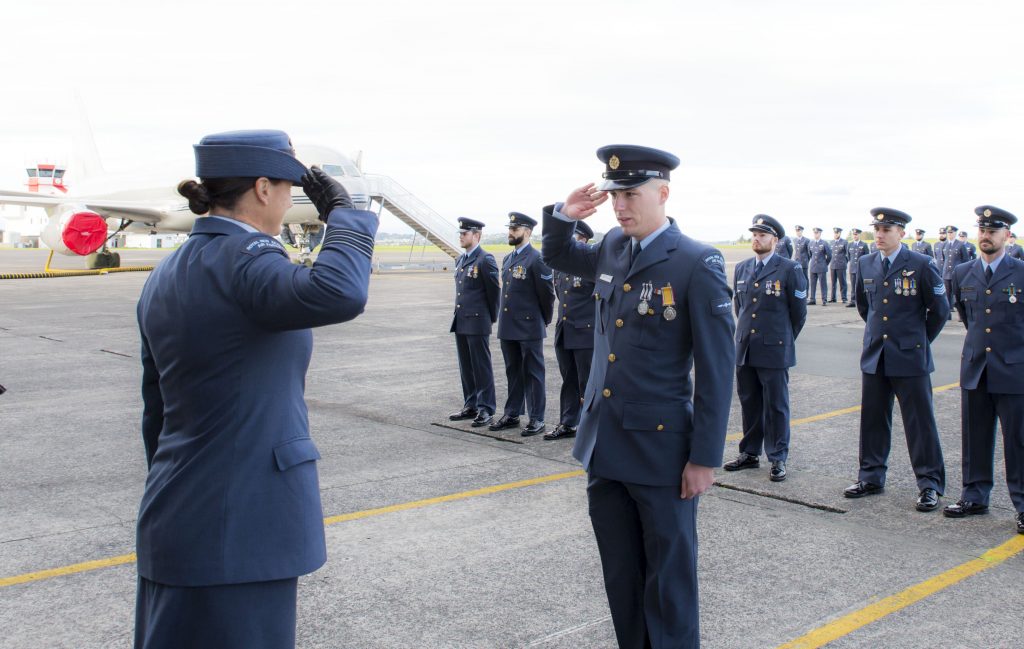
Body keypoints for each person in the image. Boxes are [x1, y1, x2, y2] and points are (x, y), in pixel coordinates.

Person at [134, 130, 378, 649]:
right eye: (289, 188)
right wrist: (348, 214)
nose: (292, 199)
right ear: (264, 189)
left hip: (180, 510)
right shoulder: (245, 258)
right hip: (242, 524)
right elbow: (338, 292)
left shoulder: (169, 271)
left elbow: (156, 410)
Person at [542, 144, 734, 649]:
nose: (620, 204)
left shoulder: (697, 261)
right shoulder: (611, 245)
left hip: (661, 452)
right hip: (605, 448)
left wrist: (704, 458)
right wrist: (565, 215)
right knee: (622, 581)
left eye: (630, 193)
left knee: (668, 587)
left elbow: (716, 371)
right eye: (614, 194)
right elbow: (559, 254)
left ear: (663, 193)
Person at [845, 207, 948, 512]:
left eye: (886, 230)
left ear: (901, 233)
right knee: (873, 419)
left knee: (920, 423)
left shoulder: (921, 263)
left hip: (910, 356)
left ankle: (930, 484)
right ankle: (871, 477)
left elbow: (939, 310)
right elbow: (865, 307)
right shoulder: (865, 263)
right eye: (876, 230)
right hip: (876, 354)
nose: (879, 235)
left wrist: (917, 341)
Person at [945, 205, 1024, 535]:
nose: (985, 236)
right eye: (982, 230)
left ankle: (1022, 504)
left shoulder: (1020, 272)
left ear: (1006, 235)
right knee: (974, 436)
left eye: (993, 231)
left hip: (1013, 369)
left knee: (1018, 442)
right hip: (976, 366)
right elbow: (967, 316)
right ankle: (974, 495)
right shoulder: (963, 272)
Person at [724, 215, 807, 482]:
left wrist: (781, 337)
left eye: (762, 235)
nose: (756, 239)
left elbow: (798, 314)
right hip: (746, 346)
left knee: (776, 406)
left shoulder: (789, 269)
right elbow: (741, 307)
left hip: (774, 348)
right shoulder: (744, 267)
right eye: (754, 234)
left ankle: (777, 457)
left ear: (775, 240)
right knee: (749, 403)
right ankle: (749, 453)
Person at [489, 212, 554, 436]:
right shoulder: (508, 259)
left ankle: (537, 418)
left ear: (527, 232)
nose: (510, 233)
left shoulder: (537, 259)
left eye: (515, 229)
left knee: (533, 373)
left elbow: (547, 295)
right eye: (510, 229)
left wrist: (542, 320)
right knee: (513, 372)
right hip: (508, 326)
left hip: (529, 325)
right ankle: (512, 413)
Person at [546, 220, 597, 440]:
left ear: (584, 240)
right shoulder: (561, 266)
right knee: (569, 379)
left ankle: (591, 425)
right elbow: (560, 296)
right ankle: (568, 422)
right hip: (565, 330)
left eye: (574, 237)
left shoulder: (590, 266)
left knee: (588, 382)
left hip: (585, 331)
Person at [448, 217, 500, 428]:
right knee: (466, 367)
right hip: (461, 320)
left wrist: (490, 318)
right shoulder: (460, 260)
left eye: (465, 233)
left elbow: (494, 292)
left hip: (478, 321)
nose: (461, 236)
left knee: (481, 366)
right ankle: (471, 404)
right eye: (460, 233)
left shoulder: (485, 259)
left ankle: (486, 408)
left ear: (476, 235)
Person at [943, 225, 971, 317]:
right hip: (946, 273)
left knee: (957, 294)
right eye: (948, 233)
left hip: (957, 273)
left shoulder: (960, 244)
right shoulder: (945, 244)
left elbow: (965, 260)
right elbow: (944, 259)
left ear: (955, 233)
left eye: (951, 232)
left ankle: (960, 314)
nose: (950, 234)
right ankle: (947, 314)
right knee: (947, 294)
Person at [807, 227, 831, 305]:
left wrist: (825, 263)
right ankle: (812, 299)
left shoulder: (824, 243)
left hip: (822, 267)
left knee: (823, 284)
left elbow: (829, 256)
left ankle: (824, 300)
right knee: (812, 284)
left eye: (817, 233)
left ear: (820, 233)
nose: (815, 234)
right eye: (814, 233)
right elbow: (810, 255)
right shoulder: (811, 243)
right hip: (813, 266)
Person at [846, 228, 869, 308]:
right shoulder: (850, 245)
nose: (855, 236)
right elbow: (848, 257)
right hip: (852, 268)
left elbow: (867, 257)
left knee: (861, 285)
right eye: (854, 234)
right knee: (853, 285)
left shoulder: (864, 245)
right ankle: (853, 301)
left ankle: (862, 301)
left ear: (859, 235)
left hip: (861, 269)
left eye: (856, 234)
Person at [829, 226, 849, 303]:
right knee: (833, 283)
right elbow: (829, 254)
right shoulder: (831, 242)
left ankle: (844, 298)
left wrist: (844, 262)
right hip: (833, 265)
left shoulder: (844, 242)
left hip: (841, 266)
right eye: (835, 232)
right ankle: (833, 298)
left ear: (840, 233)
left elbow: (848, 255)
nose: (836, 234)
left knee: (842, 283)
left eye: (837, 233)